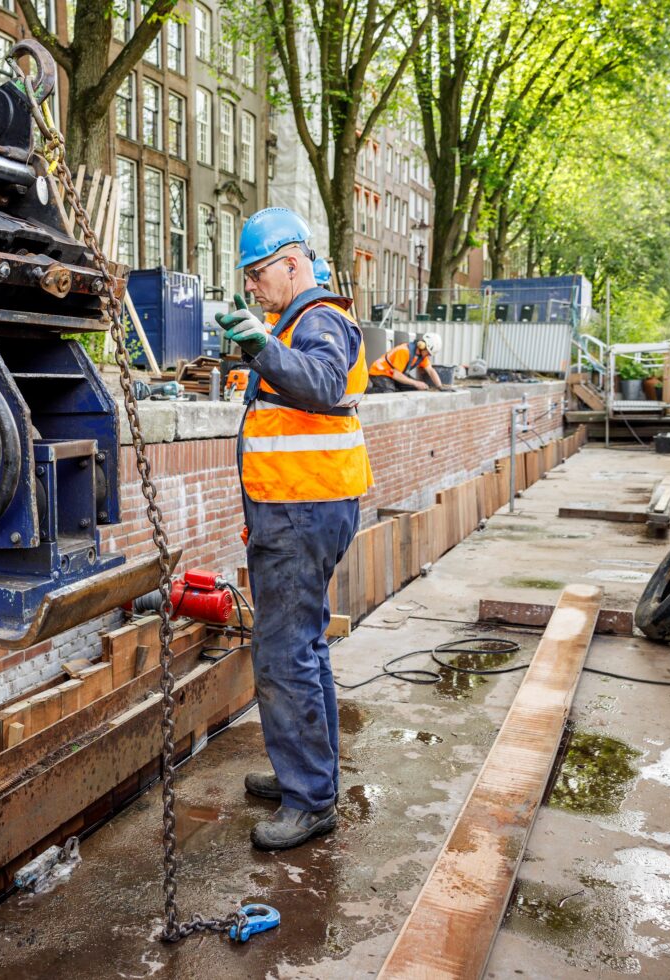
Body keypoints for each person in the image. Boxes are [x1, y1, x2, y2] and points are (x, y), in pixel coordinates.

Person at [213, 207, 373, 850]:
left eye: (258, 274)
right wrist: (263, 344)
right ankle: (308, 776)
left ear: (291, 263)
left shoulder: (321, 319)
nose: (252, 287)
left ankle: (310, 799)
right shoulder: (299, 322)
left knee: (283, 655)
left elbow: (323, 381)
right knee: (304, 647)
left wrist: (261, 345)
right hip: (301, 508)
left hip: (302, 512)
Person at [367, 334, 444, 393]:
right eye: (428, 353)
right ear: (422, 346)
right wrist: (416, 383)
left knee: (416, 387)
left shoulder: (422, 356)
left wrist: (440, 386)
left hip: (392, 374)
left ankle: (392, 388)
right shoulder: (404, 351)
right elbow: (396, 375)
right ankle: (365, 391)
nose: (428, 356)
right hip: (379, 372)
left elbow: (430, 370)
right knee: (388, 392)